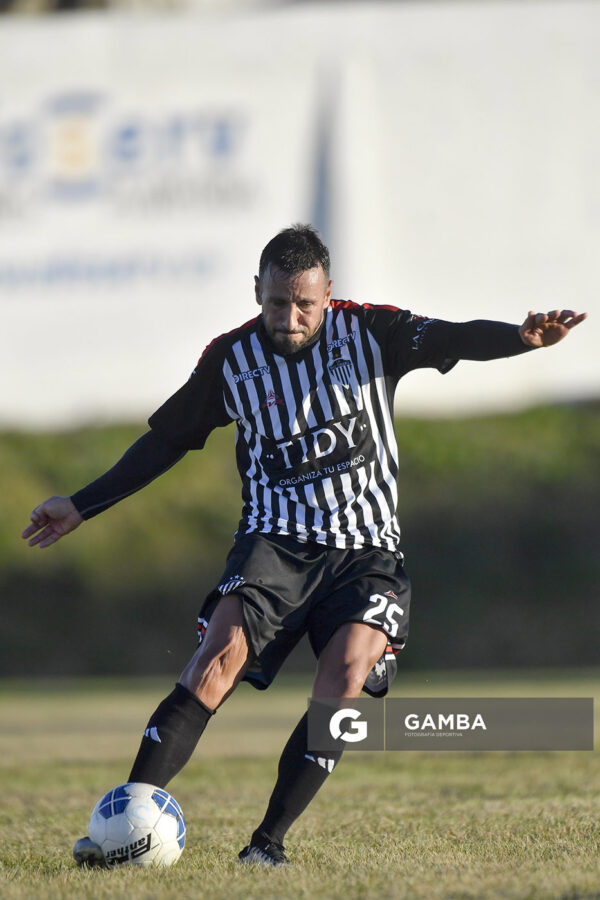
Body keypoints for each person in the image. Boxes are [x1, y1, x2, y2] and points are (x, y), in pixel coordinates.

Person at [22, 225, 586, 868]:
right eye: (275, 304)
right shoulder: (230, 359)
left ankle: (265, 847)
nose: (289, 320)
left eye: (304, 305)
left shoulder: (371, 331)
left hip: (367, 551)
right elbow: (166, 440)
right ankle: (123, 828)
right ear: (256, 293)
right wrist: (81, 504)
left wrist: (520, 337)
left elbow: (454, 338)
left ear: (328, 295)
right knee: (215, 661)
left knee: (342, 683)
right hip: (273, 546)